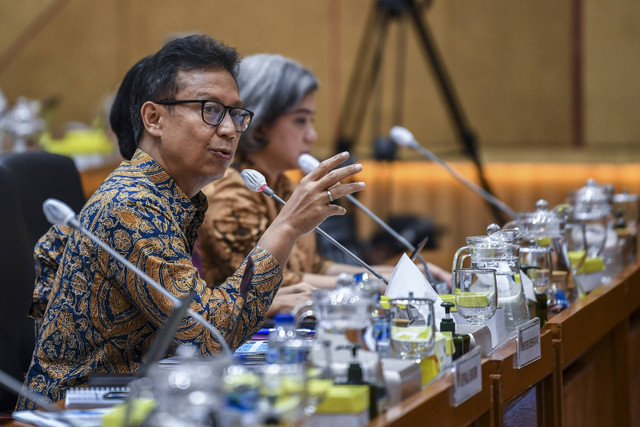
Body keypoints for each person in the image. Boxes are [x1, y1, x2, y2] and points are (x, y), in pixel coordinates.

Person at [17, 35, 364, 409]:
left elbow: (200, 325)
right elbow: (210, 337)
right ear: (154, 118)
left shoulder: (171, 197)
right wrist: (287, 226)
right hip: (79, 411)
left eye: (236, 114)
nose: (230, 129)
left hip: (142, 397)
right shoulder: (131, 204)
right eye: (211, 110)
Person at [197, 54, 449, 315]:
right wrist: (375, 284)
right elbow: (268, 282)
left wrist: (394, 275)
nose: (312, 135)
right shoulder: (228, 192)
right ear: (261, 126)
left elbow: (314, 267)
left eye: (311, 120)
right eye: (300, 120)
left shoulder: (283, 184)